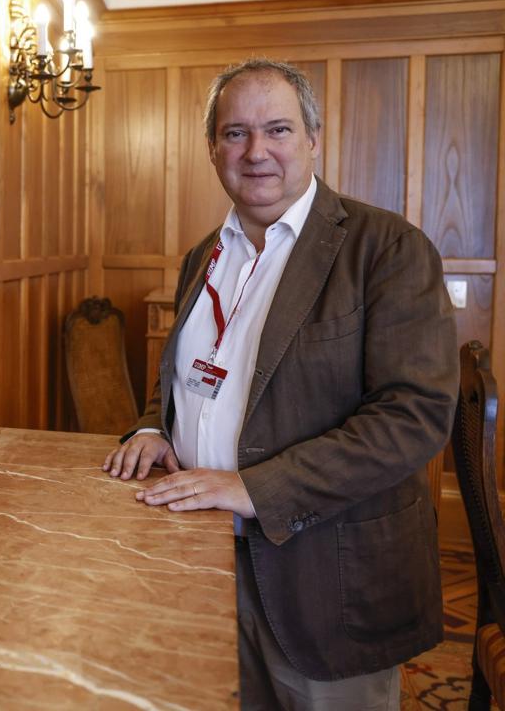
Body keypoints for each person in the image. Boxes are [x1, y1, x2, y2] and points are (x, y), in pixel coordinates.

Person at [101, 59, 457, 709]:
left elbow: (415, 416)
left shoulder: (387, 250)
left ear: (313, 139)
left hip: (326, 577)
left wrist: (254, 488)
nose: (256, 151)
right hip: (200, 559)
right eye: (235, 133)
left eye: (278, 130)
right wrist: (155, 424)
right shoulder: (201, 256)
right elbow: (186, 370)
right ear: (212, 149)